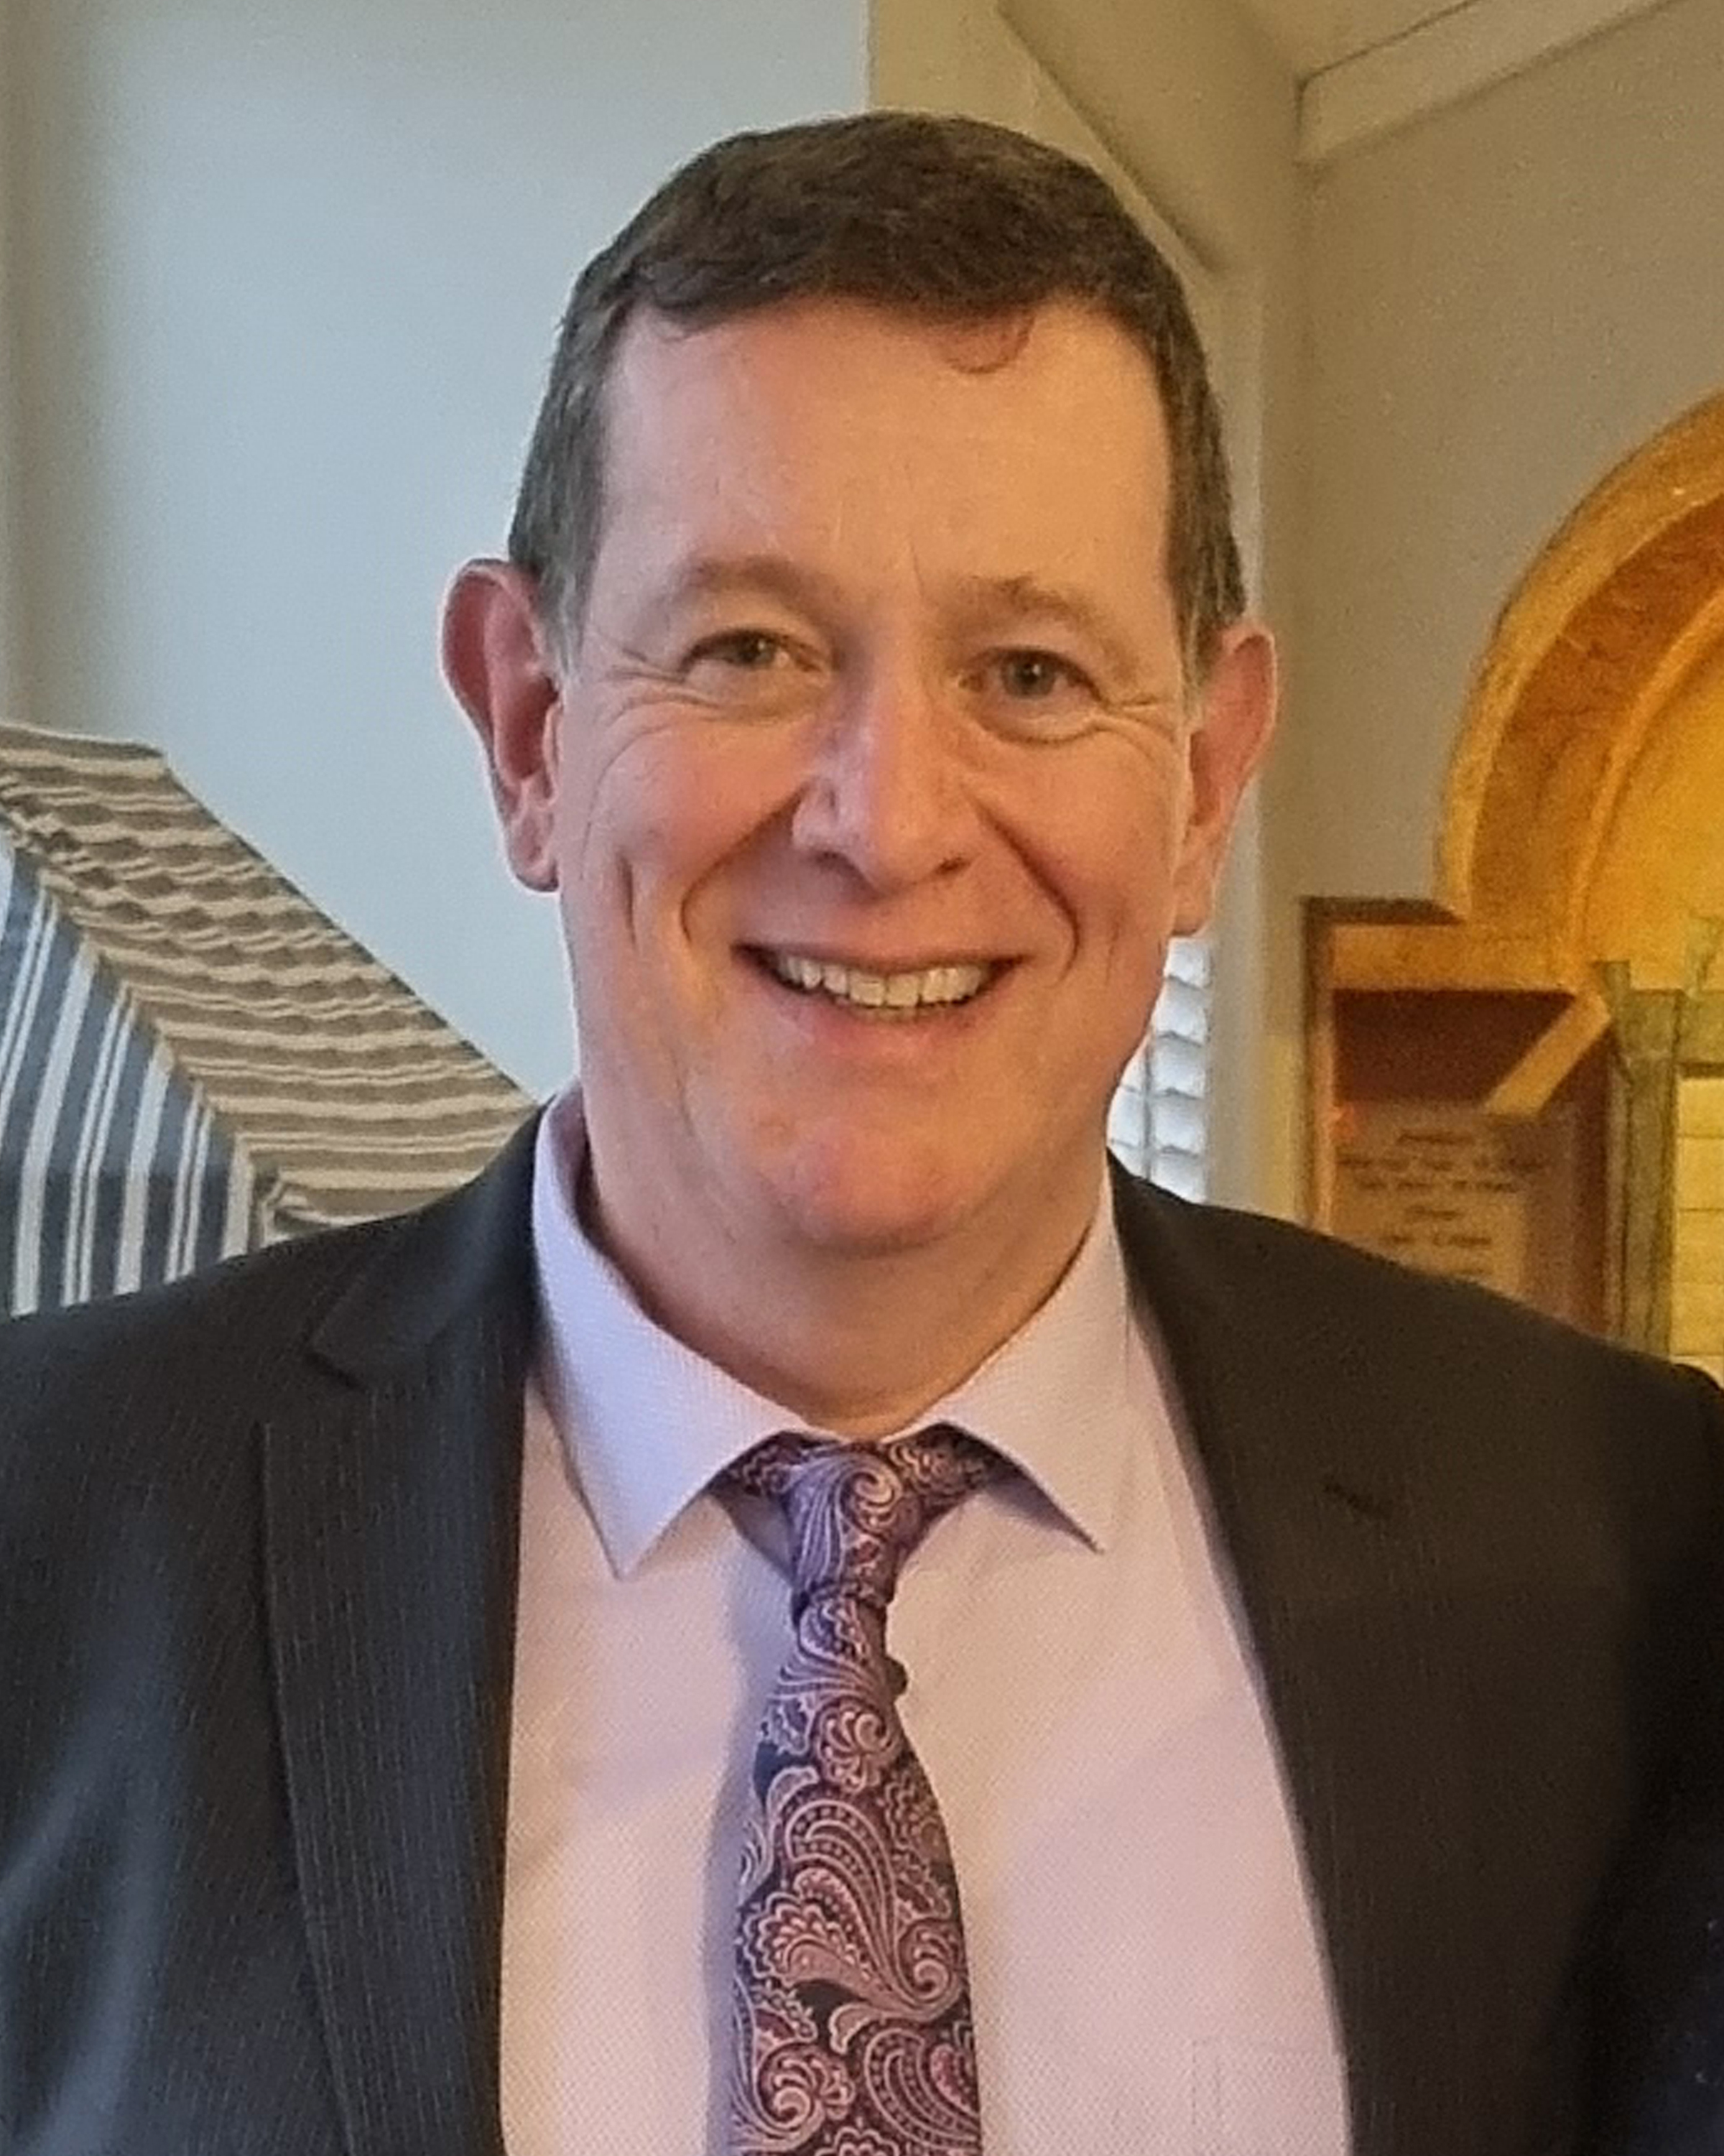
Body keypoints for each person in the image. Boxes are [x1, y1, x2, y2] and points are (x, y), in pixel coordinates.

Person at [1, 111, 1719, 2156]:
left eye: (1032, 672)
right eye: (749, 649)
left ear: (1205, 776)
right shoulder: (54, 1534)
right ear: (531, 726)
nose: (888, 823)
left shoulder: (1618, 1545)